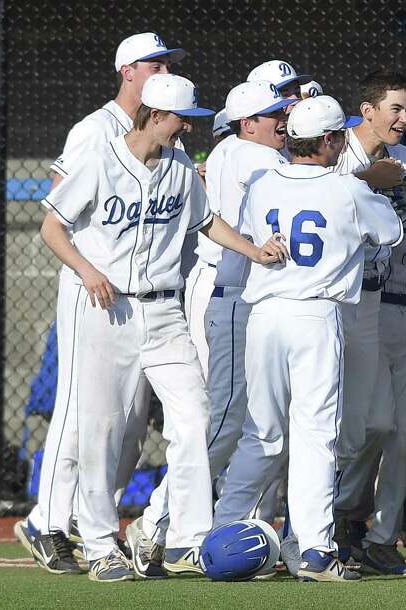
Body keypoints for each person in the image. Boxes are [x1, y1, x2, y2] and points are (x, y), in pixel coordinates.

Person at [38, 74, 287, 583]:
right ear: (155, 115)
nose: (188, 130)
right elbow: (52, 225)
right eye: (182, 120)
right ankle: (102, 544)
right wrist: (87, 271)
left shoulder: (176, 167)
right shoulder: (101, 156)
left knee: (194, 419)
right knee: (103, 429)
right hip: (109, 310)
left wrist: (253, 250)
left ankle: (186, 541)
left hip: (164, 311)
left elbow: (207, 221)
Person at [13, 31, 186, 575]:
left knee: (130, 417)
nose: (163, 70)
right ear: (127, 69)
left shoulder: (168, 128)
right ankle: (49, 522)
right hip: (91, 283)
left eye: (167, 63)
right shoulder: (95, 128)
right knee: (76, 408)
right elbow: (66, 204)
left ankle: (80, 519)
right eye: (155, 63)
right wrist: (88, 269)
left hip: (143, 291)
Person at [212, 95, 404, 582]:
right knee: (317, 434)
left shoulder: (261, 183)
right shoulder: (347, 189)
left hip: (264, 315)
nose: (341, 143)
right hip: (317, 315)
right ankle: (317, 551)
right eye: (338, 136)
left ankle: (221, 530)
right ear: (327, 140)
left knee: (261, 433)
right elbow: (390, 233)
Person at [129, 80, 297, 578]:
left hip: (239, 291)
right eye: (275, 113)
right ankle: (158, 521)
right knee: (221, 419)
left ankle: (193, 521)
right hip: (229, 294)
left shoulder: (225, 151)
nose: (284, 120)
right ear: (248, 122)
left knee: (243, 422)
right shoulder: (248, 154)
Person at [328, 69, 406, 576]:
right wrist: (367, 180)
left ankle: (381, 535)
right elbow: (317, 196)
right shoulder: (338, 152)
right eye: (394, 108)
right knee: (366, 423)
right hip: (346, 304)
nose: (403, 118)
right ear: (367, 111)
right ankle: (338, 514)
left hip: (404, 304)